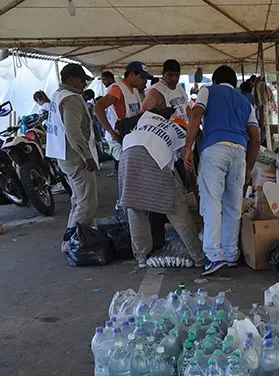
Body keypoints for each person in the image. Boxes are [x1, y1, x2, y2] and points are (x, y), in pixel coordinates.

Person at [183, 65, 261, 276]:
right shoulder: (246, 102)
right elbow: (256, 138)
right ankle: (231, 253)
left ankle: (214, 255)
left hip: (215, 149)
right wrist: (250, 166)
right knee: (233, 205)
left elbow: (197, 114)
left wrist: (188, 147)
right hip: (239, 152)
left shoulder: (208, 90)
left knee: (211, 202)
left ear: (216, 80)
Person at [119, 109, 205, 269]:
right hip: (154, 162)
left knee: (135, 209)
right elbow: (188, 168)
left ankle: (142, 258)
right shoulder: (181, 133)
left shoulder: (146, 119)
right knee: (177, 210)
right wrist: (195, 193)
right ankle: (199, 257)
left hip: (128, 159)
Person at [45, 63, 99, 243]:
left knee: (78, 200)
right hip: (76, 158)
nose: (84, 84)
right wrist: (87, 156)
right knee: (87, 204)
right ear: (71, 80)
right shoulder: (71, 99)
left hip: (65, 156)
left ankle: (79, 238)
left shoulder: (58, 95)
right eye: (82, 80)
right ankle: (72, 241)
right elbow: (73, 132)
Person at [93, 61, 154, 171]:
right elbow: (98, 108)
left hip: (129, 137)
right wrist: (112, 133)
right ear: (132, 75)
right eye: (142, 78)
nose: (145, 82)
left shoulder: (134, 91)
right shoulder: (118, 89)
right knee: (129, 172)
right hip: (119, 139)